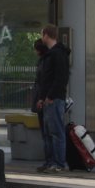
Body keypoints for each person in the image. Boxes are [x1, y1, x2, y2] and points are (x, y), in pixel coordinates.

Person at [36, 24, 70, 172]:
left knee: (56, 132)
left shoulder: (57, 54)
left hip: (54, 99)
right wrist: (42, 98)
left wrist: (49, 96)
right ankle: (51, 161)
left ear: (46, 35)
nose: (41, 37)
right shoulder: (53, 54)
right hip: (49, 99)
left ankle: (58, 163)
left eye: (42, 34)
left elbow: (60, 78)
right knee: (49, 132)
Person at [30, 39, 51, 171]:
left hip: (42, 99)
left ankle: (49, 160)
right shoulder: (46, 60)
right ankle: (50, 160)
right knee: (48, 131)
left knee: (47, 132)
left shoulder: (44, 62)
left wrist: (41, 98)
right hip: (44, 98)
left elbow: (42, 81)